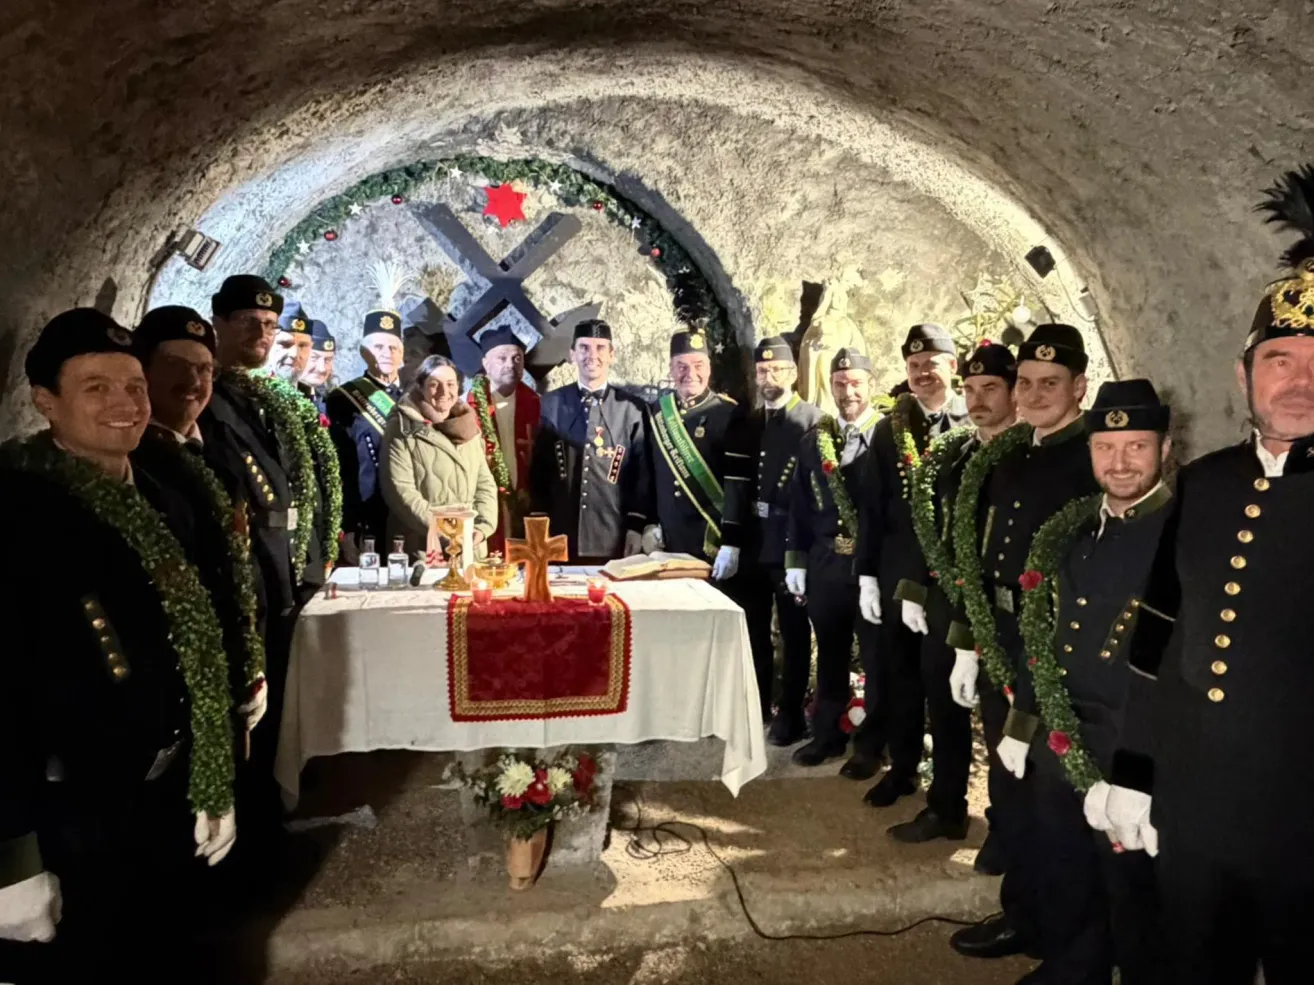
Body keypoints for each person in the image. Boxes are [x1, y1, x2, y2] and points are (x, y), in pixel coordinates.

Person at [1088, 166, 1314, 985]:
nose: (1300, 379)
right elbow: (1157, 630)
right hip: (1196, 815)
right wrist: (1135, 771)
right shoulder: (1210, 481)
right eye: (1280, 358)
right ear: (1244, 375)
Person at [0, 309, 237, 982]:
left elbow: (196, 647)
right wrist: (10, 860)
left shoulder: (166, 499)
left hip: (158, 798)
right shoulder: (17, 515)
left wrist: (210, 779)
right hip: (69, 814)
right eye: (96, 387)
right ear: (45, 402)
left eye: (133, 385)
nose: (124, 404)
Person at [997, 379, 1171, 984]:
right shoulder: (1074, 528)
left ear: (1165, 449)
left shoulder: (1183, 533)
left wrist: (1139, 772)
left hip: (1129, 741)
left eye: (1137, 447)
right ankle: (1074, 969)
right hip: (1061, 735)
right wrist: (1023, 725)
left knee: (1133, 892)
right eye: (1106, 447)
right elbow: (1041, 631)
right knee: (1066, 868)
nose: (1119, 462)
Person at [948, 322, 1099, 960]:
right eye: (1028, 383)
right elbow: (980, 556)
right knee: (1010, 787)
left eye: (1051, 383)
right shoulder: (1010, 454)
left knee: (1052, 794)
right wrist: (966, 639)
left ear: (1079, 387)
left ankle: (1063, 931)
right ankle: (1023, 911)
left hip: (1056, 651)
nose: (1035, 394)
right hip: (1001, 637)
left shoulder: (1092, 456)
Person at [888, 341, 1018, 844]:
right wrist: (916, 587)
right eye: (971, 390)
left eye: (991, 389)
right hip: (946, 604)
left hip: (999, 614)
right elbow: (931, 526)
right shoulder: (957, 451)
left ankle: (1007, 831)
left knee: (1000, 718)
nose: (979, 400)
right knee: (944, 710)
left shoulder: (1027, 455)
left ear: (1012, 392)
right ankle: (945, 808)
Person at [133, 305, 268, 741]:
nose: (193, 383)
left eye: (204, 369)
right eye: (175, 367)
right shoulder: (132, 468)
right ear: (143, 374)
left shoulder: (213, 458)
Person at [848, 324, 971, 804]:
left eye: (932, 363)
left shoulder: (972, 425)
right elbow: (873, 511)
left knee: (945, 694)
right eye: (914, 366)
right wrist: (867, 578)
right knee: (899, 680)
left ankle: (949, 795)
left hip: (948, 585)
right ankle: (902, 770)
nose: (923, 373)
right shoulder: (889, 430)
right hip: (897, 579)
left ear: (952, 366)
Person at [785, 347, 881, 765]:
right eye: (840, 384)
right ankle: (827, 736)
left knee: (878, 658)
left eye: (855, 383)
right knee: (830, 654)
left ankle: (872, 746)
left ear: (869, 384)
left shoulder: (888, 437)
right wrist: (795, 562)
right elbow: (799, 506)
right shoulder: (813, 440)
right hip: (826, 566)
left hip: (871, 568)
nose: (848, 392)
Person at [739, 337, 823, 746]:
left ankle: (791, 714)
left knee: (792, 633)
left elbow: (813, 494)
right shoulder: (751, 421)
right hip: (755, 543)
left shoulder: (811, 420)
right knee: (753, 628)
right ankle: (756, 706)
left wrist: (799, 552)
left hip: (790, 543)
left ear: (793, 374)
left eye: (777, 370)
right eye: (762, 370)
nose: (768, 377)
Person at [531, 319, 651, 563]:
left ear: (611, 355)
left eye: (600, 348)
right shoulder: (551, 404)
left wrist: (635, 526)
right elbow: (540, 471)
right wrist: (538, 526)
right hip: (559, 535)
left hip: (612, 536)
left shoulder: (633, 409)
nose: (592, 355)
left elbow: (643, 475)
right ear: (572, 354)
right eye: (584, 347)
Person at [647, 328, 752, 582]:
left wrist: (732, 543)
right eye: (681, 366)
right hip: (668, 546)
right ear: (670, 369)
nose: (690, 374)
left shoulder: (730, 414)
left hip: (711, 545)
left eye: (698, 365)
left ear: (709, 368)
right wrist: (648, 523)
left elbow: (738, 486)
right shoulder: (656, 413)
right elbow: (649, 476)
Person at [381, 354, 498, 558]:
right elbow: (401, 492)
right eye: (435, 384)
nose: (445, 392)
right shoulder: (403, 427)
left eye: (451, 384)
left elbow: (485, 483)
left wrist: (482, 528)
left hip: (471, 546)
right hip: (424, 546)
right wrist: (448, 533)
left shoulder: (467, 426)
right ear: (421, 386)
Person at [327, 306, 406, 556]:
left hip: (408, 512)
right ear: (364, 352)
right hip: (368, 513)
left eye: (393, 348)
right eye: (378, 347)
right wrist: (348, 525)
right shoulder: (344, 398)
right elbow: (343, 467)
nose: (387, 354)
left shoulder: (414, 395)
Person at [466, 327, 540, 556]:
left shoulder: (535, 403)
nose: (511, 364)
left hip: (524, 498)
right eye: (502, 358)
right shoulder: (467, 406)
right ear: (486, 363)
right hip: (484, 502)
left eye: (517, 358)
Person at [266, 300, 314, 383]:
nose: (294, 354)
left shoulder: (312, 394)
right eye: (285, 344)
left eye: (302, 346)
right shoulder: (241, 387)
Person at [300, 319, 337, 415]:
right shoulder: (278, 397)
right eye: (314, 358)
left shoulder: (330, 404)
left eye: (327, 360)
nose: (322, 368)